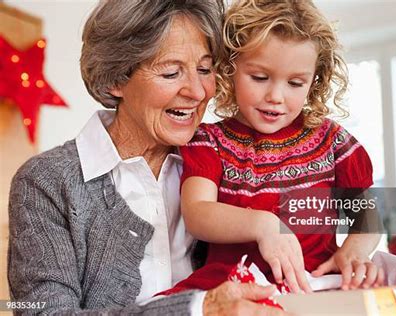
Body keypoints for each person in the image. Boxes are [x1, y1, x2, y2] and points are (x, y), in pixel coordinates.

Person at [7, 1, 290, 315]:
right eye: (171, 72)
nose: (197, 92)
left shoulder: (226, 160)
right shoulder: (46, 182)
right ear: (116, 79)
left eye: (205, 69)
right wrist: (198, 308)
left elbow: (322, 186)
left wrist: (356, 236)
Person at [168, 0, 385, 295]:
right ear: (229, 69)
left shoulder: (332, 142)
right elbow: (198, 213)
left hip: (314, 285)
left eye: (295, 83)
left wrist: (355, 250)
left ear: (315, 81)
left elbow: (366, 217)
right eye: (259, 77)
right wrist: (263, 225)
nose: (276, 96)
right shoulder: (210, 142)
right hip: (233, 288)